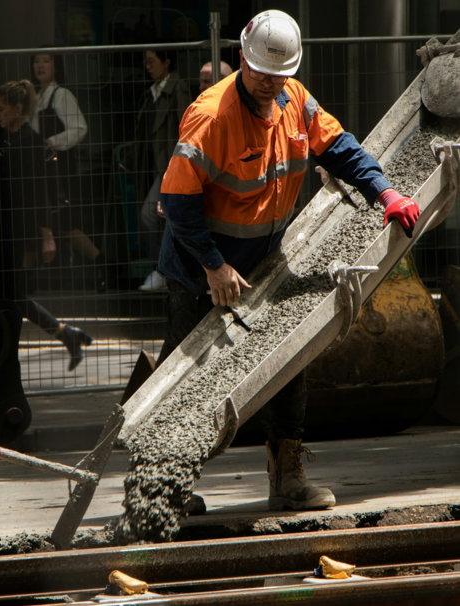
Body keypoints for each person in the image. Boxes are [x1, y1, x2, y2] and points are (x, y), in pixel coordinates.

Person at [156, 10, 420, 511]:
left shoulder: (295, 102)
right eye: (261, 73)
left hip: (263, 262)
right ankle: (166, 488)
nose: (270, 83)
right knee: (190, 379)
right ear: (241, 60)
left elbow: (340, 148)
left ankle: (288, 477)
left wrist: (385, 192)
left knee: (289, 363)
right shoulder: (211, 117)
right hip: (198, 270)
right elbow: (181, 204)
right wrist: (213, 266)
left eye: (280, 75)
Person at [0, 80, 92, 372]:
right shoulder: (9, 138)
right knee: (9, 296)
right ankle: (64, 335)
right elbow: (7, 183)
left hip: (17, 232)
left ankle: (5, 359)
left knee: (9, 297)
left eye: (1, 109)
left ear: (17, 108)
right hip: (3, 228)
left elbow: (37, 193)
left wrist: (45, 236)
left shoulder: (29, 142)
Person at [30, 50, 109, 293]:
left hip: (59, 170)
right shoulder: (37, 96)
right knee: (50, 223)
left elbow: (79, 128)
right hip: (41, 169)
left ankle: (103, 264)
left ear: (57, 65)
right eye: (36, 61)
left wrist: (51, 141)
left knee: (64, 223)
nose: (40, 65)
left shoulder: (60, 94)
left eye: (47, 60)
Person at [133, 48, 192, 291]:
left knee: (150, 216)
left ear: (167, 61)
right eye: (145, 62)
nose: (148, 66)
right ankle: (164, 269)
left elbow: (186, 128)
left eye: (151, 61)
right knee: (156, 218)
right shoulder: (153, 92)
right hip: (155, 165)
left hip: (170, 165)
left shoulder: (177, 88)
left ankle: (162, 269)